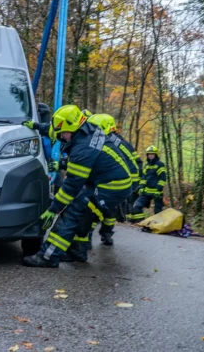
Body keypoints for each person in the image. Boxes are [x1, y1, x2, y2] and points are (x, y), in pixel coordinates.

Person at [22, 105, 133, 268]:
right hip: (107, 181)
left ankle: (48, 256)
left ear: (71, 130)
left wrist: (53, 210)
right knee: (82, 214)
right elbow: (57, 130)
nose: (61, 138)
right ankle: (77, 252)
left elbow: (71, 186)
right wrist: (38, 127)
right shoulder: (86, 127)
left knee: (72, 212)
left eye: (63, 134)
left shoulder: (83, 149)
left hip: (111, 187)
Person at [86, 113, 140, 246]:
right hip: (122, 184)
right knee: (108, 210)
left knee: (95, 208)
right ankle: (105, 234)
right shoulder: (119, 141)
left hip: (114, 183)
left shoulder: (110, 142)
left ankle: (88, 237)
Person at [129, 145, 167, 223]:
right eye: (149, 154)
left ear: (155, 155)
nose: (150, 155)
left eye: (152, 154)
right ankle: (143, 222)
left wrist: (159, 190)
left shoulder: (160, 165)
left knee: (158, 211)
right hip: (146, 192)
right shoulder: (147, 166)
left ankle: (158, 225)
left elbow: (162, 178)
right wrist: (142, 188)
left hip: (156, 192)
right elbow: (143, 178)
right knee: (136, 206)